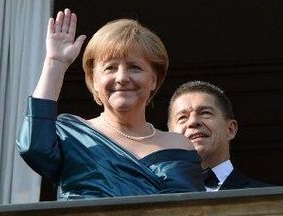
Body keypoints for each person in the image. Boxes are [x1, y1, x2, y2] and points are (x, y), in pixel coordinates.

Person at [17, 8, 204, 200]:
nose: (122, 78)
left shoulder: (179, 146)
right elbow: (34, 148)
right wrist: (55, 63)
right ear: (94, 81)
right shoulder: (72, 134)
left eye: (135, 67)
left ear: (154, 80)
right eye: (110, 68)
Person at [167, 80, 272, 191]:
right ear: (170, 137)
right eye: (182, 117)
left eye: (205, 113)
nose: (193, 122)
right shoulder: (154, 199)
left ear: (230, 129)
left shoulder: (272, 199)